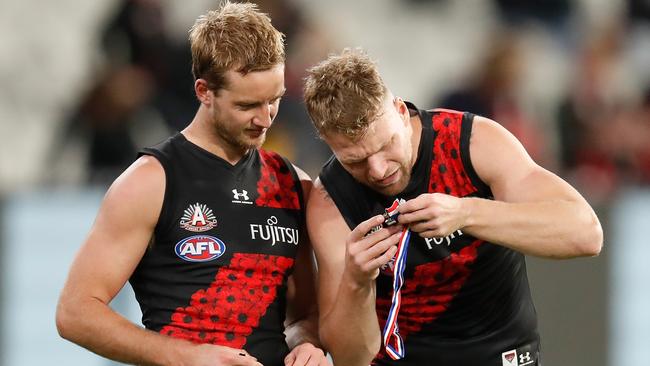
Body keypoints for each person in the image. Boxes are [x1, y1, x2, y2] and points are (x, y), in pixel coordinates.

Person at [56, 3, 329, 366]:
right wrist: (190, 357)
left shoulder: (294, 183)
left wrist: (307, 346)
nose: (265, 119)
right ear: (204, 91)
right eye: (248, 105)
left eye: (274, 101)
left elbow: (302, 316)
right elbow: (75, 313)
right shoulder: (150, 182)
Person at [302, 48, 603, 366]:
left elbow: (586, 233)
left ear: (401, 112)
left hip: (501, 354)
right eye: (356, 160)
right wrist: (356, 280)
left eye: (385, 144)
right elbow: (350, 359)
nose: (378, 169)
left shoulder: (471, 143)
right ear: (330, 145)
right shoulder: (330, 200)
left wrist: (467, 213)